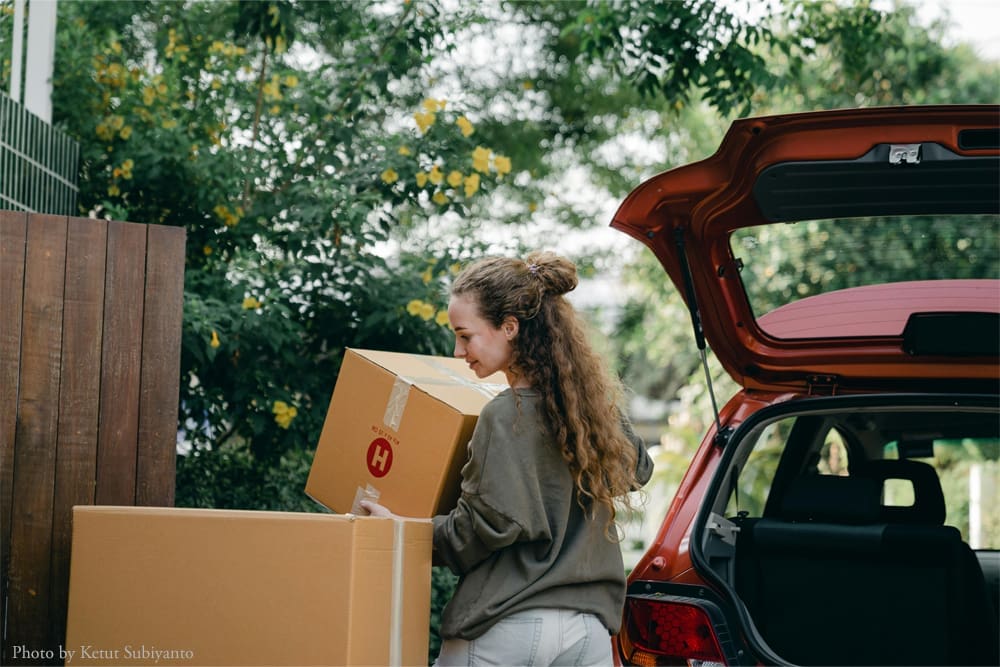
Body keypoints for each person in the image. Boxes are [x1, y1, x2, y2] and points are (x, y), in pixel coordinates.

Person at [361, 250, 653, 667]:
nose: (459, 351)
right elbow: (638, 470)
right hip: (587, 635)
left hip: (505, 628)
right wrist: (601, 405)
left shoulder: (505, 414)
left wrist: (405, 532)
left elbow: (489, 524)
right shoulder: (587, 412)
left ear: (510, 327)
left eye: (465, 335)